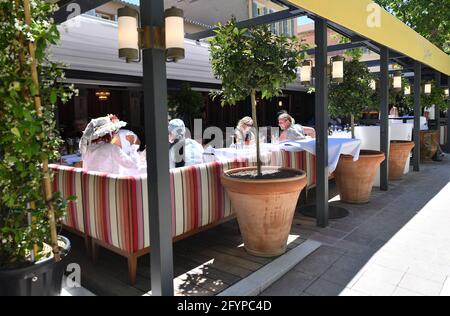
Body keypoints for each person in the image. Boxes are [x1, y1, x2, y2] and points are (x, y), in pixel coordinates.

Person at [79, 114, 143, 175]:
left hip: (93, 184)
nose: (115, 133)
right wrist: (133, 148)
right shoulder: (112, 148)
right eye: (114, 131)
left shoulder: (87, 149)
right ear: (109, 133)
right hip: (111, 184)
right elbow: (134, 166)